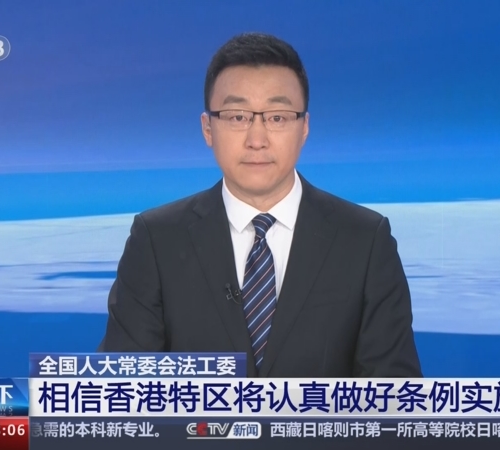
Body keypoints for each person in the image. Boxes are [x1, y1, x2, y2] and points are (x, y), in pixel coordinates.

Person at [98, 32, 422, 378]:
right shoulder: (157, 240)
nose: (256, 140)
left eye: (277, 117)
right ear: (208, 128)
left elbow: (394, 397)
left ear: (304, 128)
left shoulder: (365, 241)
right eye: (237, 117)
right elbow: (124, 388)